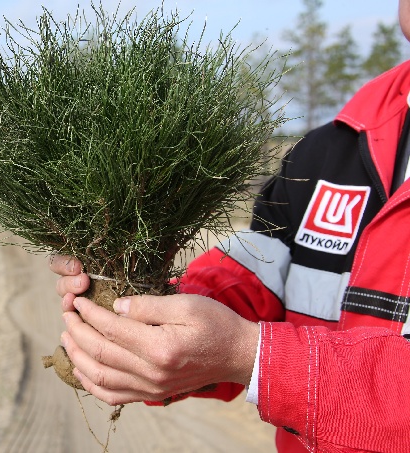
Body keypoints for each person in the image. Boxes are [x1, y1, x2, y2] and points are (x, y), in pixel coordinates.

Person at [49, 1, 410, 451]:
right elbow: (257, 271)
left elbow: (246, 347)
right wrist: (155, 310)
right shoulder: (329, 151)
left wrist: (255, 356)